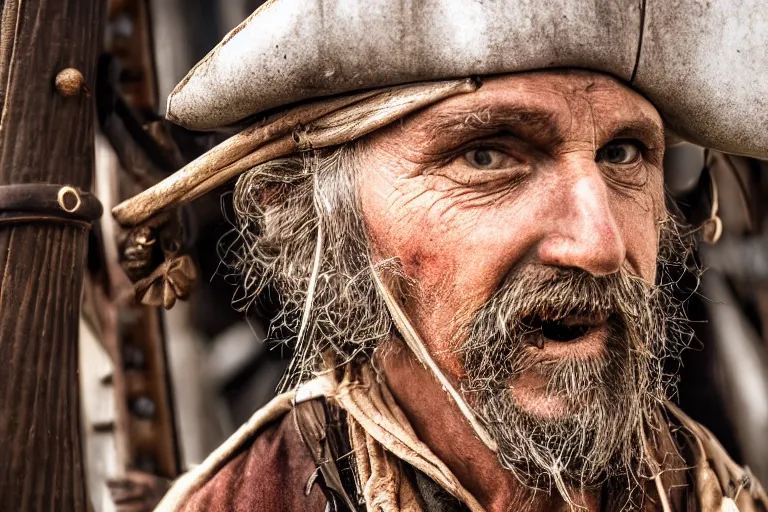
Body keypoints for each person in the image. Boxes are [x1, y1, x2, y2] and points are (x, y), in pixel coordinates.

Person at [113, 1, 768, 510]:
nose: (599, 245)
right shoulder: (252, 501)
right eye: (487, 155)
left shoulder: (711, 493)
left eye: (623, 154)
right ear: (318, 219)